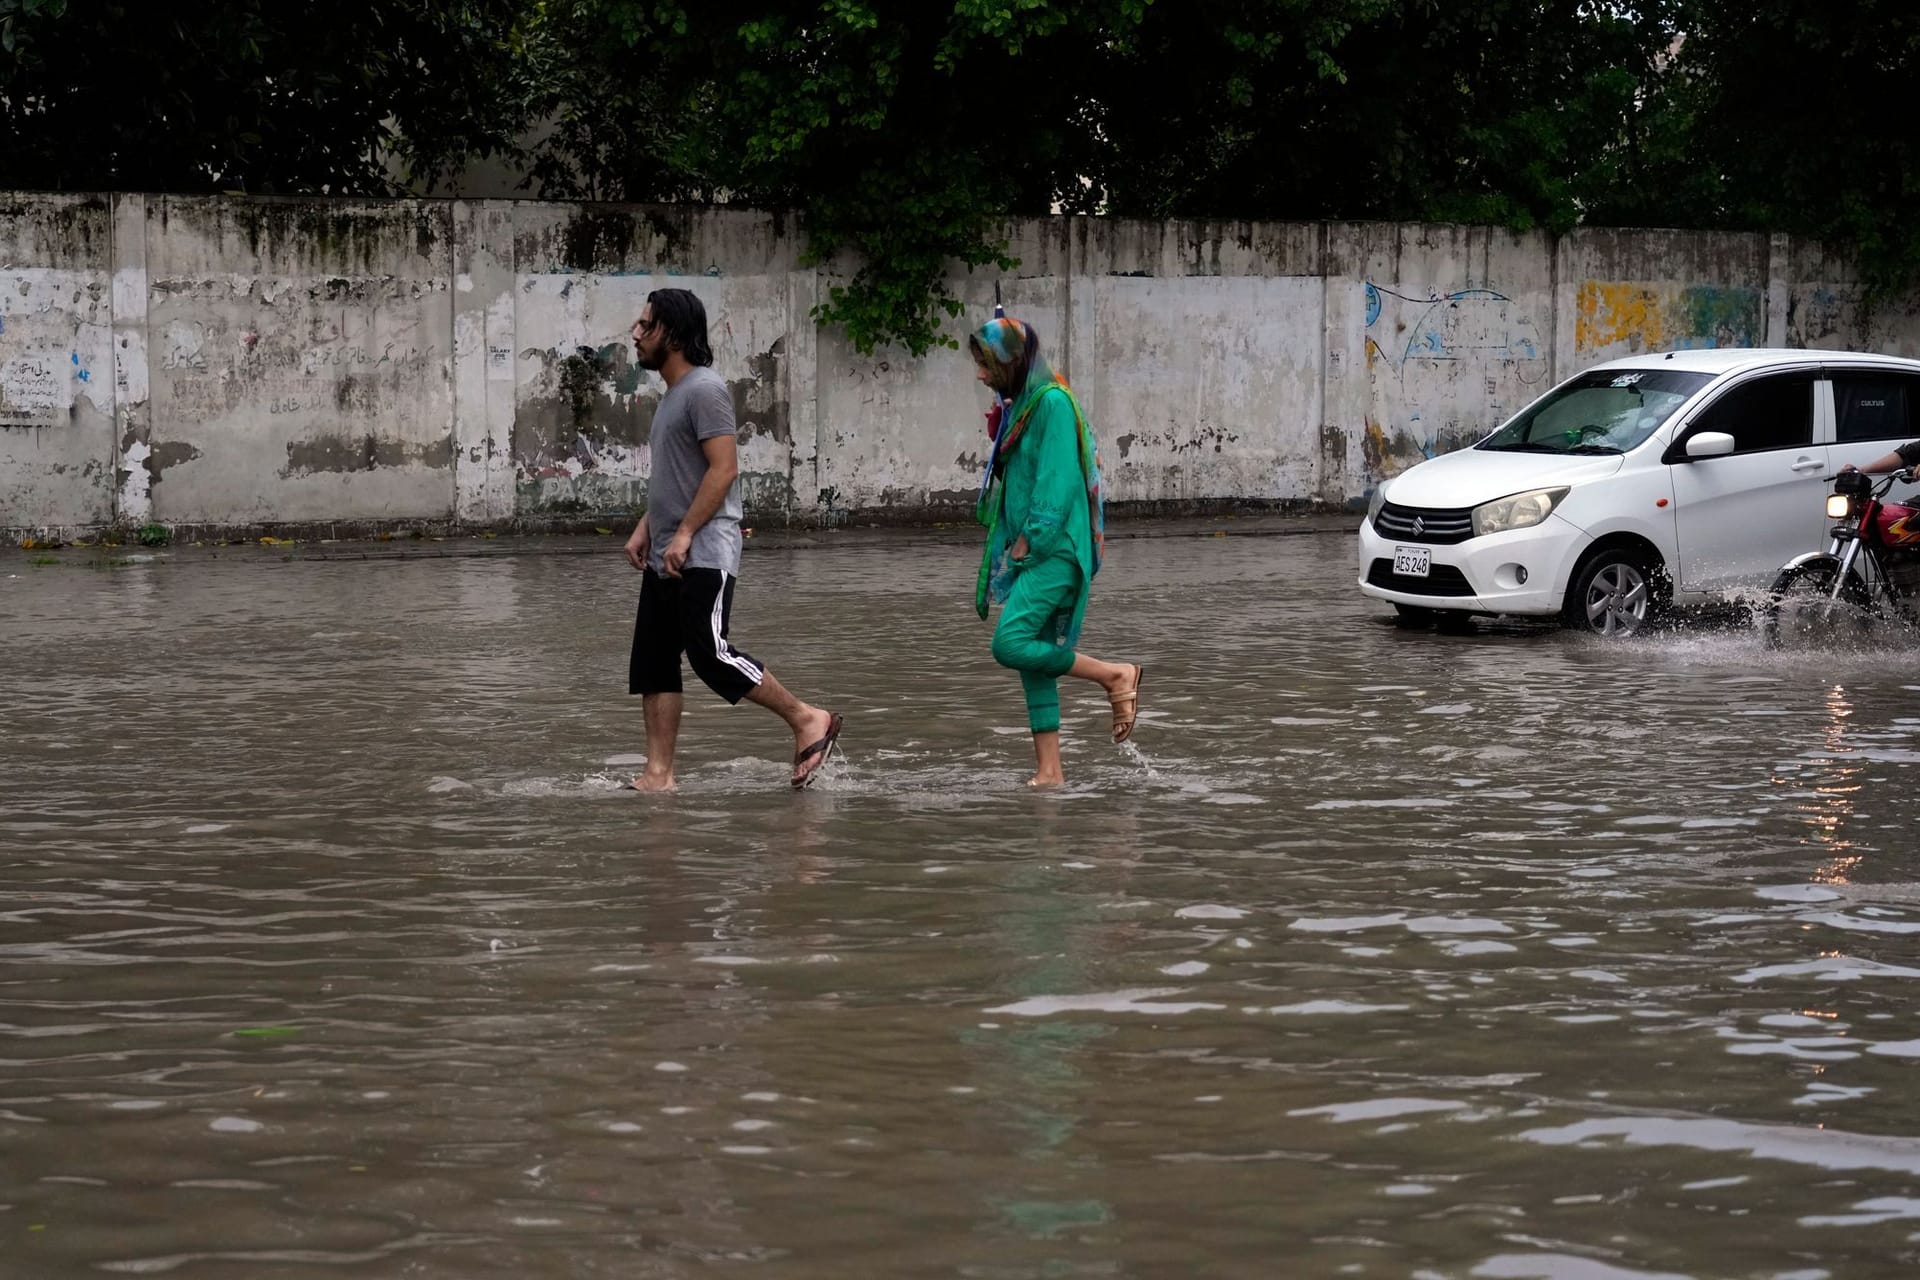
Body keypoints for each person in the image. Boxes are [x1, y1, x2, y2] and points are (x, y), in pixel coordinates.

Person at [622, 288, 842, 792]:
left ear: (672, 334)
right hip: (667, 551)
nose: (636, 334)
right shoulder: (672, 397)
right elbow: (676, 478)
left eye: (646, 325)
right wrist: (645, 528)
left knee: (709, 652)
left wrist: (682, 534)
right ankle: (659, 774)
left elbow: (723, 472)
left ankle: (808, 718)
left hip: (703, 550)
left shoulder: (705, 390)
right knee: (654, 664)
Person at [970, 317, 1144, 787]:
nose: (981, 376)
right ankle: (1050, 771)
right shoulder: (1025, 404)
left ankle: (1114, 675)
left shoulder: (1052, 403)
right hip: (1041, 546)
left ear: (1012, 360)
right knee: (1034, 656)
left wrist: (1035, 535)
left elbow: (1059, 476)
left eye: (987, 365)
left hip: (1057, 546)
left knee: (1010, 644)